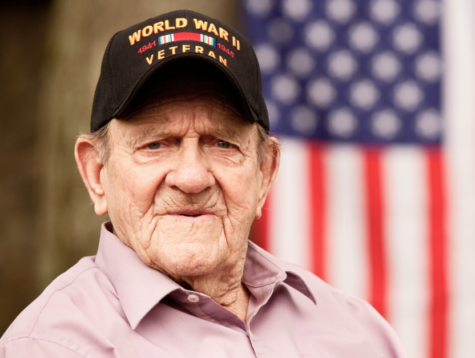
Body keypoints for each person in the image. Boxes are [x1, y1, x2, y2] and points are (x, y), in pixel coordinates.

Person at [0, 10, 406, 357]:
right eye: (156, 144)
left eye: (222, 143)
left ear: (264, 173)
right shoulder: (50, 346)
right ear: (96, 173)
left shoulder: (356, 334)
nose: (192, 178)